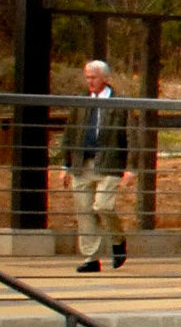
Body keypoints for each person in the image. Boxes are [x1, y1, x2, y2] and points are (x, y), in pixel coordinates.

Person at [57, 59, 133, 271]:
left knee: (103, 206)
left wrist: (131, 168)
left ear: (105, 78)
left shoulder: (120, 103)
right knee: (84, 211)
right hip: (83, 164)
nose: (89, 81)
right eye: (87, 77)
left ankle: (118, 241)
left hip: (110, 163)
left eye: (94, 77)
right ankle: (91, 258)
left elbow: (131, 136)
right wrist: (66, 166)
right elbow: (70, 133)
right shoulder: (81, 102)